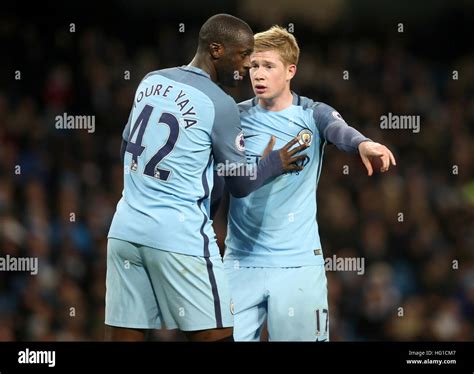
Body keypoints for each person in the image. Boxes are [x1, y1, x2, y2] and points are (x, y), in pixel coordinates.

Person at [105, 16, 308, 342]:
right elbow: (240, 184)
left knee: (125, 336)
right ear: (216, 50)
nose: (247, 66)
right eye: (243, 55)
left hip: (125, 231)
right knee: (218, 335)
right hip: (179, 237)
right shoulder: (220, 103)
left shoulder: (150, 80)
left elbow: (126, 149)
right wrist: (274, 163)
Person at [223, 26, 397, 341]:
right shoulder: (232, 118)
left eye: (269, 66)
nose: (258, 74)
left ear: (291, 71)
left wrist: (362, 144)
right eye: (254, 66)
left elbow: (338, 129)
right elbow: (234, 184)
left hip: (297, 265)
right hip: (239, 262)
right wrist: (270, 164)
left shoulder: (312, 114)